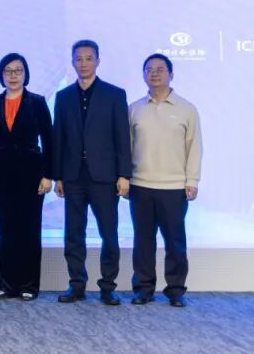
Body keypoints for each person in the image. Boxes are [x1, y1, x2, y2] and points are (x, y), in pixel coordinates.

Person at [52, 39, 131, 306]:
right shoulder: (63, 97)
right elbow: (59, 138)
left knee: (109, 233)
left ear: (98, 61)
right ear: (72, 62)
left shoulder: (114, 94)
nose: (83, 63)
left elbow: (122, 137)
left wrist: (124, 174)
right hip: (73, 176)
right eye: (79, 58)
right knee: (74, 234)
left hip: (105, 177)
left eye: (88, 58)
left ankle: (108, 287)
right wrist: (58, 176)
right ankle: (77, 285)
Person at [128, 53, 202, 307]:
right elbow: (127, 147)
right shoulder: (135, 109)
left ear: (171, 74)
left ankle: (176, 290)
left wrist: (192, 180)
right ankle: (143, 289)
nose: (154, 73)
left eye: (160, 69)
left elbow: (194, 147)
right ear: (143, 75)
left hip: (174, 187)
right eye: (149, 69)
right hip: (140, 185)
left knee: (175, 242)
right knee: (143, 241)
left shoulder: (187, 109)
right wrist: (125, 178)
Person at [0, 53, 53, 300]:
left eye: (18, 70)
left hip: (32, 174)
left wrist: (48, 175)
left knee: (29, 230)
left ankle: (29, 285)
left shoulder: (37, 102)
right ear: (1, 75)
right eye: (8, 71)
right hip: (1, 174)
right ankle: (8, 284)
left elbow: (49, 140)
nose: (13, 76)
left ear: (25, 74)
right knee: (6, 230)